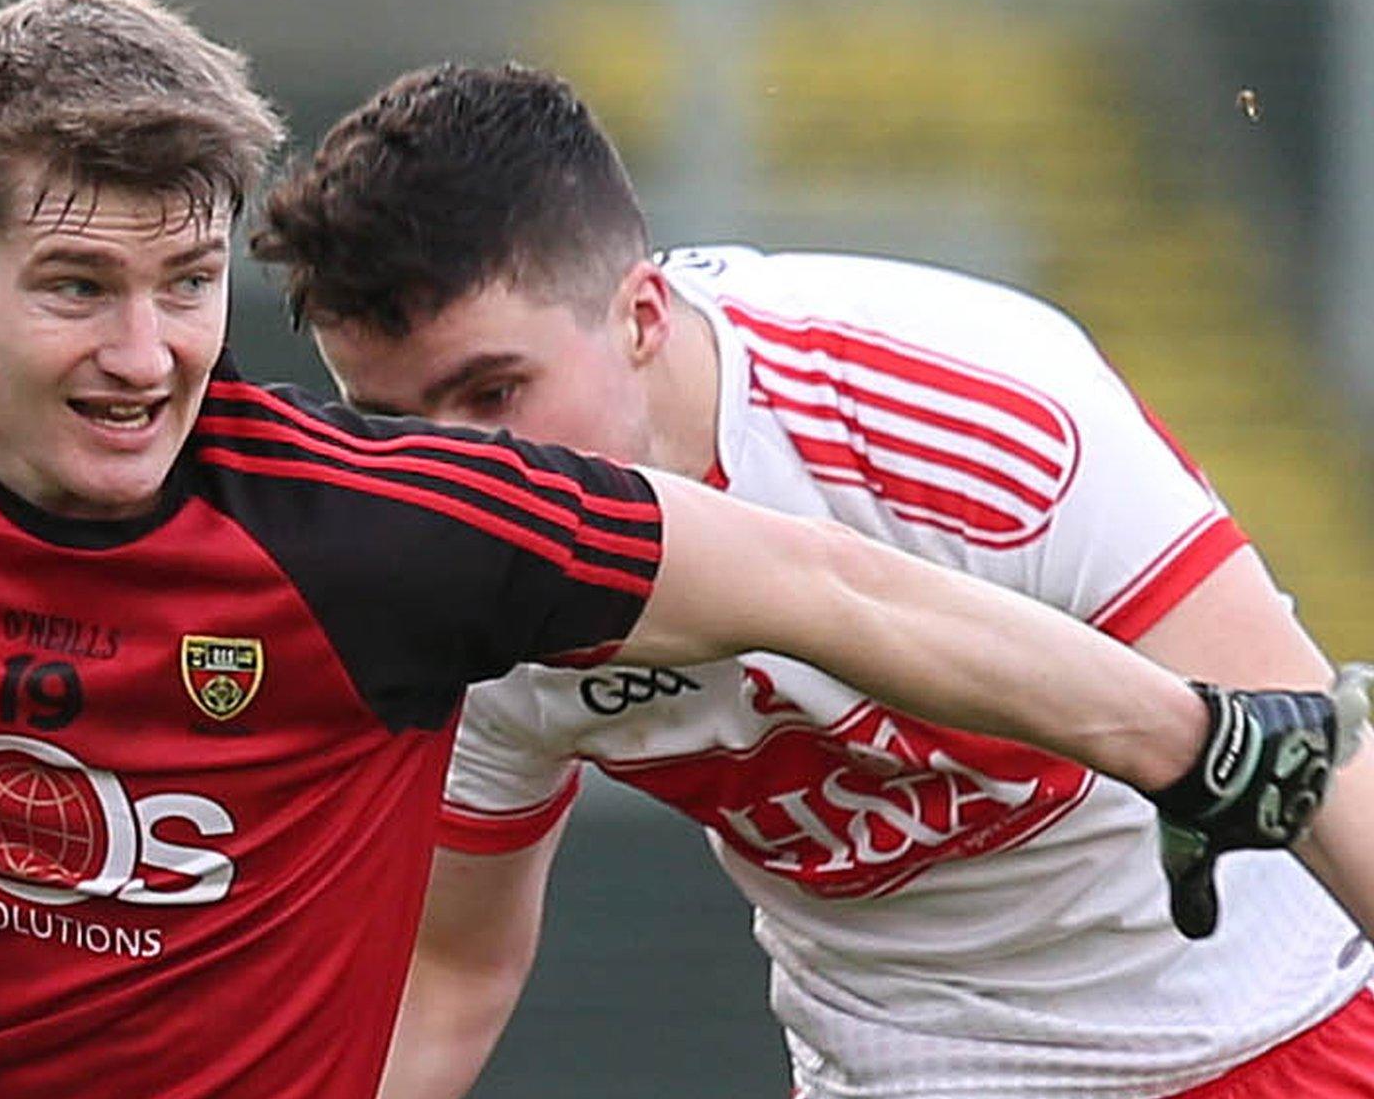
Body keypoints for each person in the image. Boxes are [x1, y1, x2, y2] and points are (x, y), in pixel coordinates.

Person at [0, 0, 1359, 1099]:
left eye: (185, 284)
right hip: (904, 1051)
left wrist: (1194, 740)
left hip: (1248, 1016)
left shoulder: (409, 539)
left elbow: (844, 588)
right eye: (79, 285)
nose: (143, 351)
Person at [248, 60, 1374, 1098]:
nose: (459, 472)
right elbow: (451, 971)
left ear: (638, 316)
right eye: (394, 422)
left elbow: (1302, 753)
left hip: (1259, 1022)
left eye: (493, 393)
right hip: (911, 1063)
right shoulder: (442, 578)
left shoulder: (963, 407)